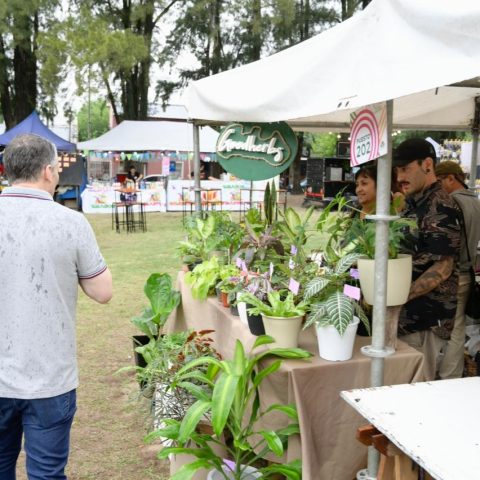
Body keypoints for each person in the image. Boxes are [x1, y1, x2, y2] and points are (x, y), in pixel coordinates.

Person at [0, 134, 113, 479]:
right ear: (48, 171)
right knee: (46, 474)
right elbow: (103, 291)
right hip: (50, 376)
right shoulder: (71, 222)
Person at [394, 138, 461, 380]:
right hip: (406, 318)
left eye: (406, 169)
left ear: (428, 165)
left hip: (424, 320)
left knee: (416, 387)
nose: (400, 177)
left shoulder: (441, 205)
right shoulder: (414, 203)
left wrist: (397, 296)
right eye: (398, 170)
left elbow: (443, 267)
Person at [435, 161, 480, 379]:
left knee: (442, 328)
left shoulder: (452, 202)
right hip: (467, 271)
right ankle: (450, 376)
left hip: (451, 273)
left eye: (439, 181)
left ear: (451, 178)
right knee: (458, 328)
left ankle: (443, 374)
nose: (437, 187)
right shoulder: (475, 201)